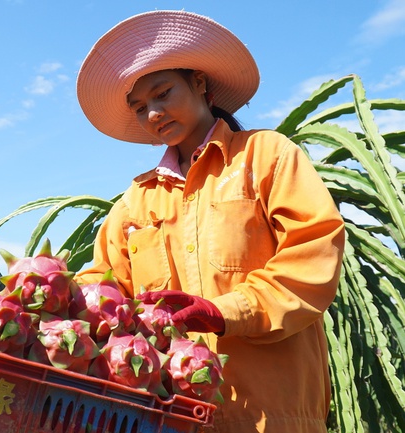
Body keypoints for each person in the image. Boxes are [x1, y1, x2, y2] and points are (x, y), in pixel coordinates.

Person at [74, 10, 345, 433]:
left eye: (163, 94)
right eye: (141, 107)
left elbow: (312, 255)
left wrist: (224, 312)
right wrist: (43, 288)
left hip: (273, 413)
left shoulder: (266, 156)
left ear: (199, 82)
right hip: (172, 415)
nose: (154, 114)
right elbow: (104, 285)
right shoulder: (135, 201)